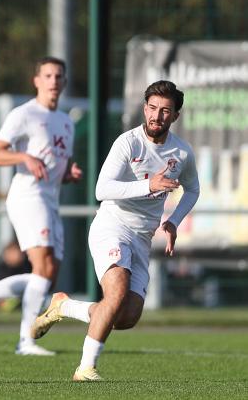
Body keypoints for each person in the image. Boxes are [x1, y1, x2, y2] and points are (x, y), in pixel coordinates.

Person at [31, 80, 199, 381]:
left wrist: (173, 221)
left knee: (125, 317)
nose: (156, 116)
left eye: (164, 111)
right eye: (151, 108)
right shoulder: (128, 142)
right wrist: (149, 184)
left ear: (174, 116)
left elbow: (192, 190)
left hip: (142, 239)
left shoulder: (182, 153)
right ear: (144, 108)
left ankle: (63, 306)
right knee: (116, 292)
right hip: (112, 226)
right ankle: (86, 368)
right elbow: (101, 188)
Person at [0, 57, 82, 356]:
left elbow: (53, 168)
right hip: (27, 196)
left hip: (50, 200)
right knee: (42, 266)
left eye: (58, 76)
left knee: (48, 274)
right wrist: (23, 157)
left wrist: (68, 174)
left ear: (64, 83)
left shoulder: (66, 122)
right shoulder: (24, 114)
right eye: (47, 75)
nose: (53, 81)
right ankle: (26, 341)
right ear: (36, 81)